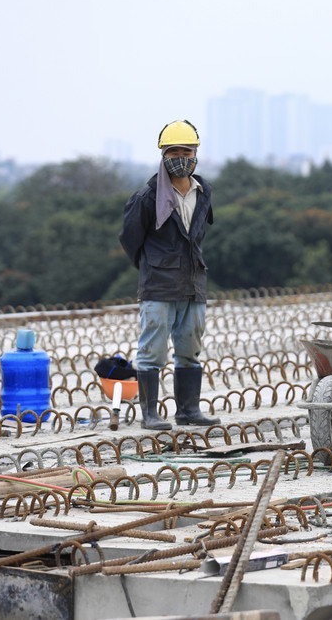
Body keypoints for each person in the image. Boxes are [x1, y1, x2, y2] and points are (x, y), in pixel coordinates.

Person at [119, 119, 220, 430]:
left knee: (190, 348)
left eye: (186, 151)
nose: (181, 157)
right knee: (152, 350)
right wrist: (153, 267)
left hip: (193, 282)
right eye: (173, 151)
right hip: (158, 285)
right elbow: (129, 239)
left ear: (195, 154)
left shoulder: (203, 192)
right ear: (163, 156)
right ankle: (150, 414)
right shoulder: (147, 198)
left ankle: (188, 409)